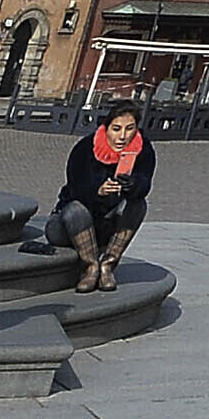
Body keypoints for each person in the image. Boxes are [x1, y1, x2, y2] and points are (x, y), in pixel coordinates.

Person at [51, 101, 156, 291]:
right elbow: (75, 188)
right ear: (107, 127)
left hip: (106, 223)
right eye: (116, 129)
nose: (122, 136)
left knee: (138, 204)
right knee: (76, 210)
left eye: (129, 129)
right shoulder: (85, 148)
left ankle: (108, 265)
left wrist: (133, 185)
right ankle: (90, 267)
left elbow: (145, 183)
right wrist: (97, 191)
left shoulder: (143, 149)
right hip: (68, 223)